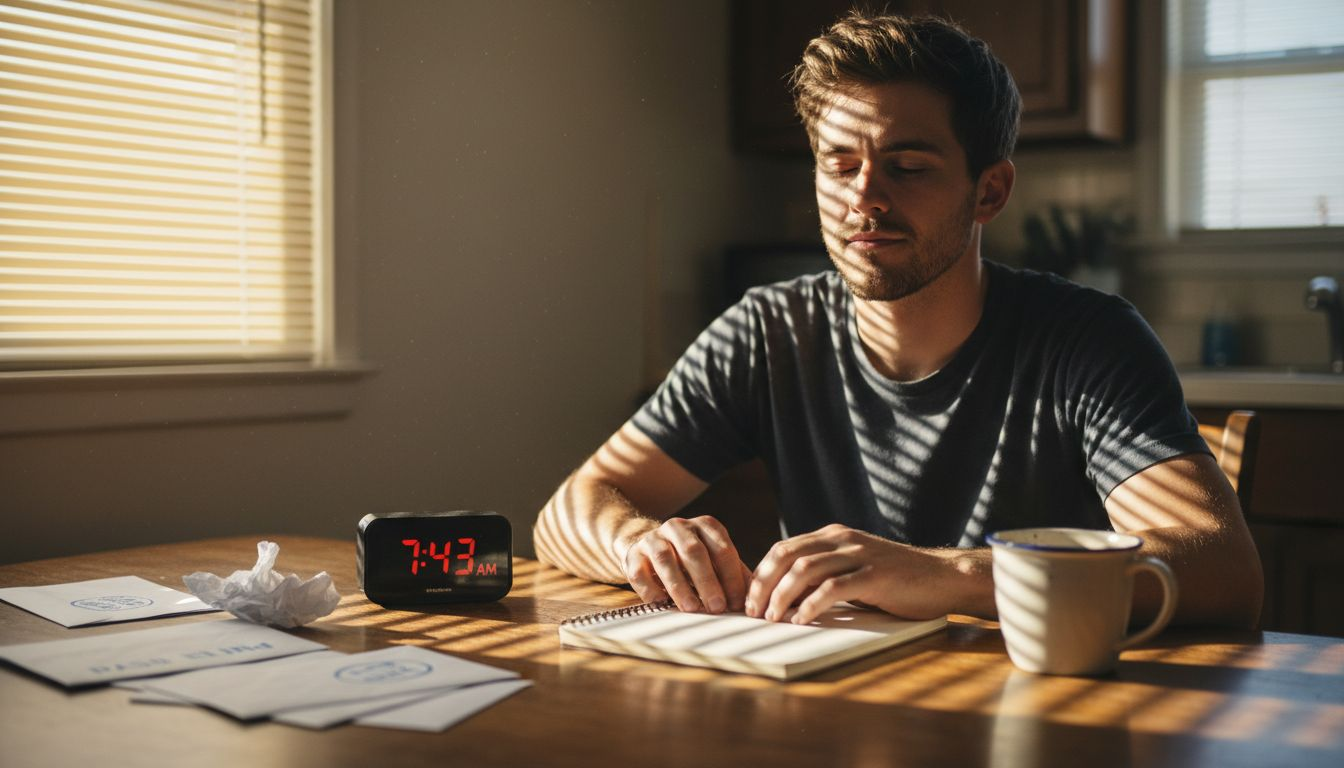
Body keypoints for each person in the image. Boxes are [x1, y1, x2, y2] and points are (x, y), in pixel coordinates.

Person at [533, 11, 1263, 629]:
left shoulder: (1087, 341)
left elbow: (1225, 570)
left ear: (990, 192)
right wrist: (639, 544)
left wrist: (949, 576)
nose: (864, 198)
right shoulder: (768, 334)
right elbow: (568, 511)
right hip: (834, 702)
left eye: (907, 167)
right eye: (839, 164)